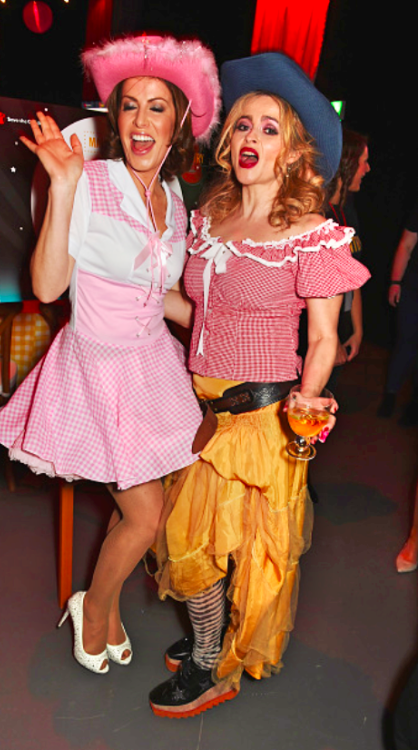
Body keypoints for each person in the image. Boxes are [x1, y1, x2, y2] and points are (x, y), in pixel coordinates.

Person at [0, 35, 220, 674]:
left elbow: (161, 293)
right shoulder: (89, 181)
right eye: (129, 107)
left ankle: (105, 607)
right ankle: (91, 608)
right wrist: (61, 187)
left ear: (179, 124)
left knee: (157, 510)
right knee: (145, 517)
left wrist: (223, 328)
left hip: (152, 363)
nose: (141, 122)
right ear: (114, 118)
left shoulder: (174, 200)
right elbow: (47, 286)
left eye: (157, 108)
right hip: (98, 365)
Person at [149, 52, 370, 718]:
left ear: (295, 149)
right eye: (243, 125)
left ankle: (212, 661)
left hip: (262, 418)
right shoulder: (209, 216)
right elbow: (199, 317)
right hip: (199, 408)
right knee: (190, 540)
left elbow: (325, 338)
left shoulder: (310, 234)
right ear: (226, 139)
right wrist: (141, 290)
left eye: (270, 129)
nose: (251, 139)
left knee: (231, 547)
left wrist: (309, 397)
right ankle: (208, 642)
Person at [325, 129, 370, 388]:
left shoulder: (348, 212)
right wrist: (329, 338)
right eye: (363, 161)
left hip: (340, 323)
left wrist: (357, 330)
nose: (367, 169)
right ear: (348, 163)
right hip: (316, 331)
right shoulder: (318, 216)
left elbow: (354, 276)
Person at [378, 198, 418, 425]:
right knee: (405, 342)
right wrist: (395, 281)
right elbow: (407, 244)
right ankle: (390, 395)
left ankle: (414, 404)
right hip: (413, 286)